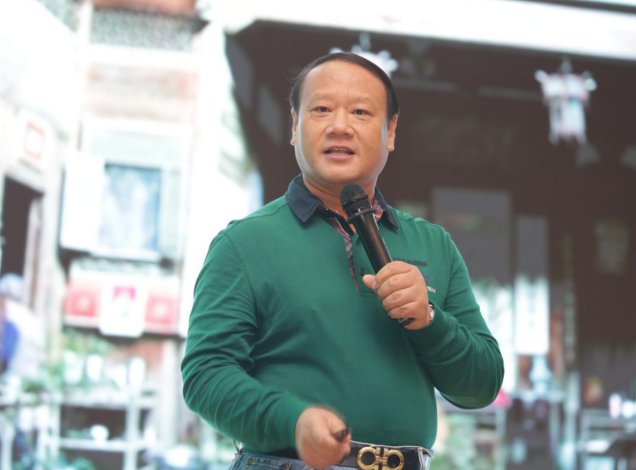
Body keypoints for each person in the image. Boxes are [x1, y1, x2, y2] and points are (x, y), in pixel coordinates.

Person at [181, 52, 504, 470]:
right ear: (295, 126)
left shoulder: (434, 244)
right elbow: (206, 375)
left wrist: (429, 319)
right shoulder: (243, 243)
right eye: (321, 109)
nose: (339, 126)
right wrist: (292, 421)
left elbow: (481, 385)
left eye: (360, 112)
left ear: (390, 132)